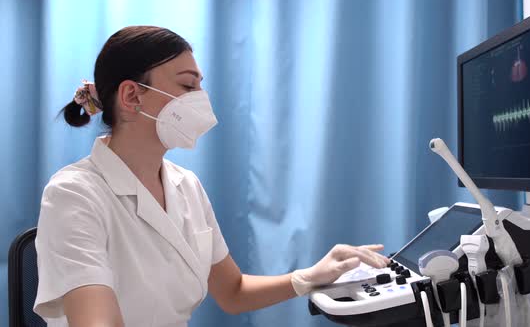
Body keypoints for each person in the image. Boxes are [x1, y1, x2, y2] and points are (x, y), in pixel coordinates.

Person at [33, 26, 389, 327]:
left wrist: (309, 277)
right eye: (188, 86)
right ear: (131, 95)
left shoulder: (185, 185)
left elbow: (232, 292)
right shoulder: (73, 194)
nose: (201, 100)